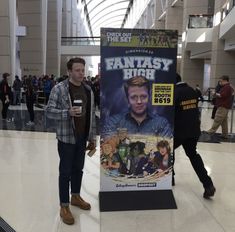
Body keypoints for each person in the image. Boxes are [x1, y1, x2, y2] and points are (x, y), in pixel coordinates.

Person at [45, 57, 96, 225]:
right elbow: (49, 112)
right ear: (69, 72)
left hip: (82, 138)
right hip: (66, 138)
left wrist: (92, 137)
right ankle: (64, 205)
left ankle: (75, 196)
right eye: (77, 70)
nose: (81, 73)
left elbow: (91, 116)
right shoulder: (59, 89)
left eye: (83, 70)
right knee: (65, 172)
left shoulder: (88, 90)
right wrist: (67, 113)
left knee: (78, 169)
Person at [174, 73, 216, 199]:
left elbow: (172, 113)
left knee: (168, 151)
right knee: (193, 156)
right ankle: (208, 184)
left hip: (179, 131)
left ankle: (170, 177)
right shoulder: (192, 90)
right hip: (193, 130)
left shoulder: (175, 92)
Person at [102, 76, 172, 138]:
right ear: (127, 99)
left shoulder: (162, 123)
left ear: (149, 96)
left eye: (143, 96)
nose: (139, 101)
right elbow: (108, 149)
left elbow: (166, 150)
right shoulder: (113, 122)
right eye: (134, 97)